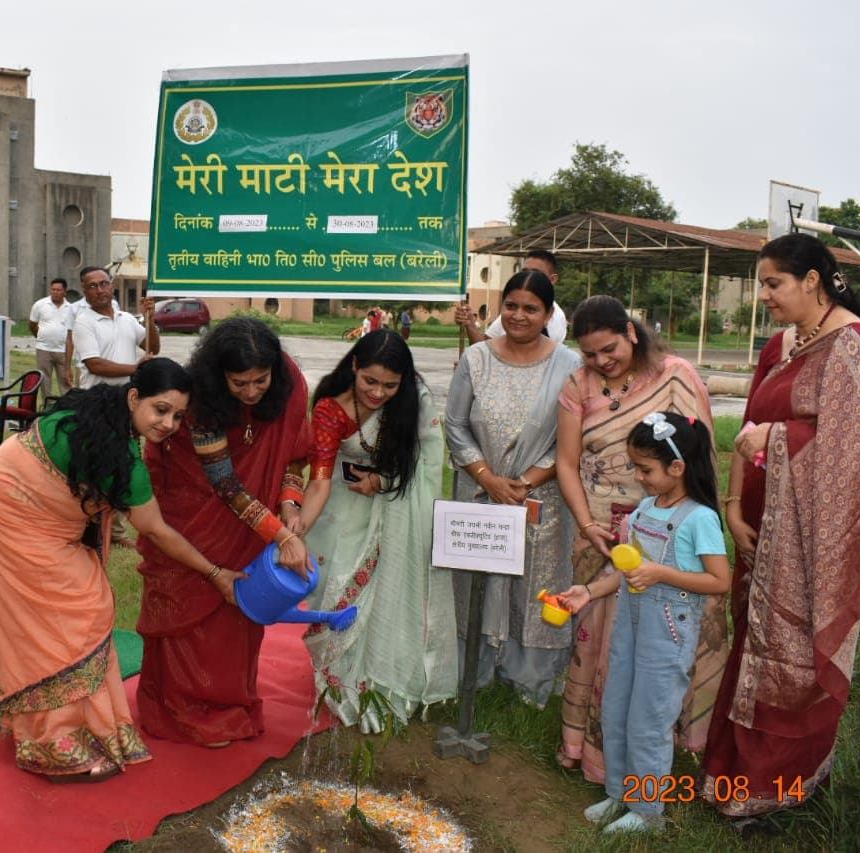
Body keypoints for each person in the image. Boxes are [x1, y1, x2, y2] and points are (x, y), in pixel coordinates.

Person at [700, 234, 860, 817]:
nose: (764, 295)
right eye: (762, 284)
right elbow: (745, 429)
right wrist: (736, 504)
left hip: (816, 537)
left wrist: (779, 440)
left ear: (811, 280)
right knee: (754, 644)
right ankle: (730, 771)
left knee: (796, 659)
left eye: (773, 284)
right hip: (760, 528)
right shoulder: (781, 343)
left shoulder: (855, 344)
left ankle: (782, 785)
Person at [0, 358, 233, 781]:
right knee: (74, 609)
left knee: (86, 604)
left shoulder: (111, 421)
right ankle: (46, 740)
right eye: (161, 409)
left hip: (40, 513)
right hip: (10, 509)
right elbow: (156, 530)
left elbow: (85, 484)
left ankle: (78, 723)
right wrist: (215, 572)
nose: (168, 423)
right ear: (134, 397)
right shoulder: (122, 453)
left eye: (178, 416)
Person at [554, 294, 726, 782]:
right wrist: (589, 526)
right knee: (602, 643)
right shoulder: (578, 382)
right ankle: (593, 754)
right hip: (601, 530)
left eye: (609, 349)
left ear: (632, 332)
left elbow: (700, 460)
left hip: (670, 532)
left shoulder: (674, 374)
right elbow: (567, 462)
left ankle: (665, 754)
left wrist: (689, 524)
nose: (600, 362)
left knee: (661, 650)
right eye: (589, 354)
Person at [135, 317, 312, 747]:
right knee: (189, 610)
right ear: (220, 377)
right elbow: (227, 484)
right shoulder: (198, 401)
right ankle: (183, 712)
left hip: (249, 529)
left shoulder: (289, 386)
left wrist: (289, 503)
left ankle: (230, 706)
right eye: (239, 383)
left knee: (236, 619)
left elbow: (294, 459)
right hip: (193, 516)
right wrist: (282, 536)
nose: (251, 392)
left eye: (260, 381)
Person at [559, 412, 730, 833]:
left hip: (668, 632)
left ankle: (648, 811)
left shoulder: (699, 518)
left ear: (677, 468)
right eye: (636, 467)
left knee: (650, 719)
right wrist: (590, 591)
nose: (639, 476)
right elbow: (625, 569)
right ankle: (620, 793)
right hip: (631, 628)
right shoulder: (646, 509)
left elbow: (719, 580)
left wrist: (662, 574)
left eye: (645, 469)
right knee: (617, 708)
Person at [298, 329, 456, 731]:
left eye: (390, 385)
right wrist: (295, 531)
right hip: (341, 508)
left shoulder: (413, 401)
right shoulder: (332, 408)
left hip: (395, 510)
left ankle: (379, 682)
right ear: (354, 366)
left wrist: (383, 482)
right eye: (370, 381)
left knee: (384, 593)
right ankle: (340, 684)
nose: (378, 393)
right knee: (337, 590)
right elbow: (317, 480)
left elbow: (427, 461)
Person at [444, 270, 582, 706]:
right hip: (479, 490)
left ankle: (529, 678)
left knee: (533, 580)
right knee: (477, 579)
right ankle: (474, 668)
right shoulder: (477, 358)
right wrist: (487, 478)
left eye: (530, 308)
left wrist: (523, 484)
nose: (519, 316)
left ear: (548, 314)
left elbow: (569, 436)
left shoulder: (569, 364)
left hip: (539, 495)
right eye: (511, 306)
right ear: (501, 308)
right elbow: (455, 423)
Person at [72, 265, 159, 547]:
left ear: (112, 285)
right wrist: (136, 368)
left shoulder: (126, 319)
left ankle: (117, 531)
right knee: (95, 464)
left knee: (124, 461)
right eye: (92, 286)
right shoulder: (83, 322)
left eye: (104, 283)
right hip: (95, 404)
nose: (100, 290)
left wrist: (151, 319)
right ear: (85, 291)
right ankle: (88, 525)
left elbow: (152, 347)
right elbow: (94, 363)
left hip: (125, 403)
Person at [456, 250, 569, 346]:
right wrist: (470, 324)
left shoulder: (556, 318)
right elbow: (485, 347)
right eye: (525, 272)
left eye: (531, 310)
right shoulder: (510, 313)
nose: (518, 316)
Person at [28, 277, 76, 402]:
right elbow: (32, 325)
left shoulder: (71, 308)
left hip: (63, 350)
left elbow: (72, 332)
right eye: (53, 289)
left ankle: (67, 407)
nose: (55, 292)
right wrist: (42, 337)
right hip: (44, 349)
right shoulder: (40, 305)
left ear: (65, 291)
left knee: (66, 381)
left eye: (58, 290)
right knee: (44, 381)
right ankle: (47, 407)